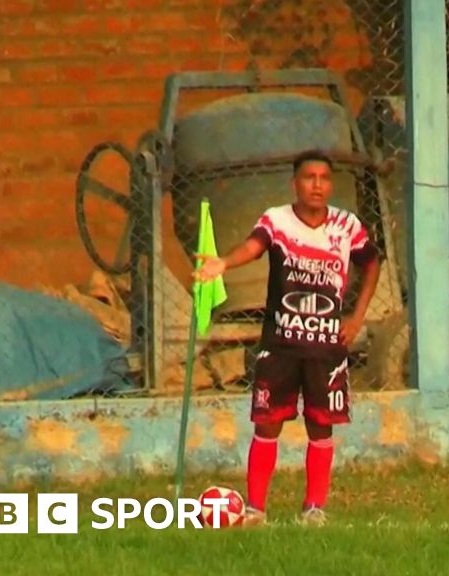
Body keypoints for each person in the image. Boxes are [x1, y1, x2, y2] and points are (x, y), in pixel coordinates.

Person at [195, 149, 381, 527]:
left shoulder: (347, 226)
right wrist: (224, 264)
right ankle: (256, 509)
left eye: (324, 178)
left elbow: (372, 263)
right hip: (280, 344)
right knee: (267, 423)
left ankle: (314, 508)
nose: (316, 185)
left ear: (330, 184)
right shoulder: (276, 220)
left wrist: (357, 316)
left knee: (320, 424)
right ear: (295, 183)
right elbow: (254, 245)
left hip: (326, 348)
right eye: (308, 177)